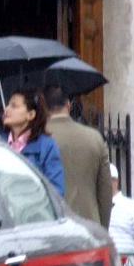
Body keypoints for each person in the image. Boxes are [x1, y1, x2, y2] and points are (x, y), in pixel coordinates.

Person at [44, 85, 112, 227]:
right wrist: (102, 228)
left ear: (44, 106)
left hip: (50, 226)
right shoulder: (94, 138)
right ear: (68, 105)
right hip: (88, 226)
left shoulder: (39, 138)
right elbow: (105, 192)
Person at [2, 88, 65, 195]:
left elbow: (56, 192)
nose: (6, 109)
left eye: (14, 106)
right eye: (8, 104)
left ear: (31, 114)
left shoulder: (46, 146)